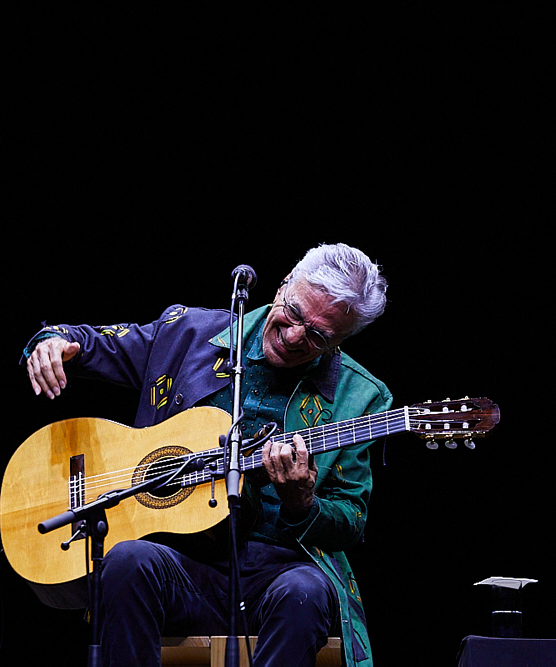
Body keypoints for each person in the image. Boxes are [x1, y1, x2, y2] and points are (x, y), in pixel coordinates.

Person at [22, 243, 391, 667]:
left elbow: (351, 519)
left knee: (304, 592)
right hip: (179, 566)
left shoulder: (361, 397)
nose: (293, 336)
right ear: (284, 283)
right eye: (293, 312)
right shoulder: (190, 334)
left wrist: (302, 502)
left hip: (278, 577)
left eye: (318, 336)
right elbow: (91, 343)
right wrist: (52, 342)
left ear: (342, 340)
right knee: (127, 560)